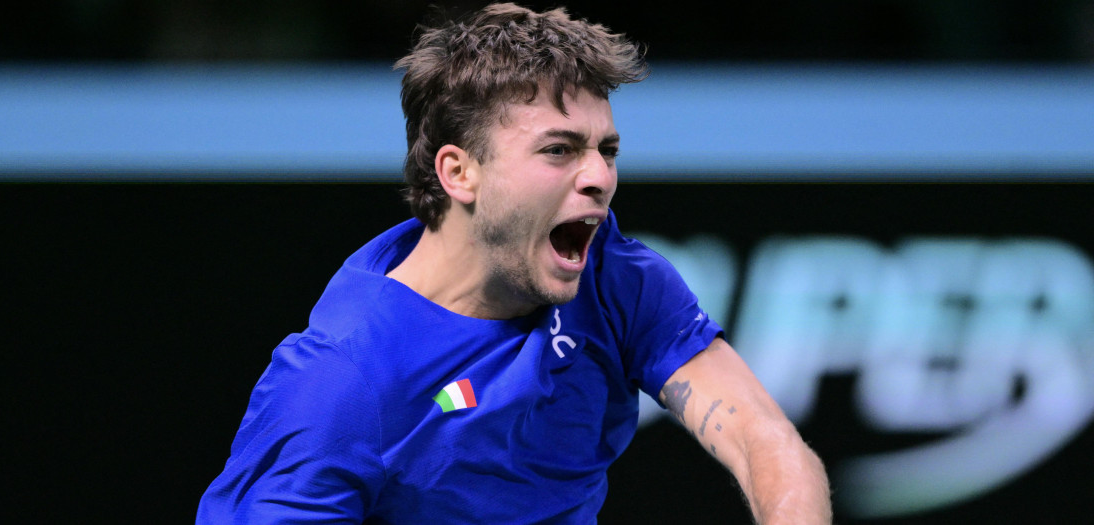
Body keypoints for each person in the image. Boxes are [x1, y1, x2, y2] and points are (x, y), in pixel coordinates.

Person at [197, 3, 831, 523]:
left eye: (606, 150)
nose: (600, 177)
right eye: (559, 150)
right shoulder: (343, 381)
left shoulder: (613, 279)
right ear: (458, 172)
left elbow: (764, 440)